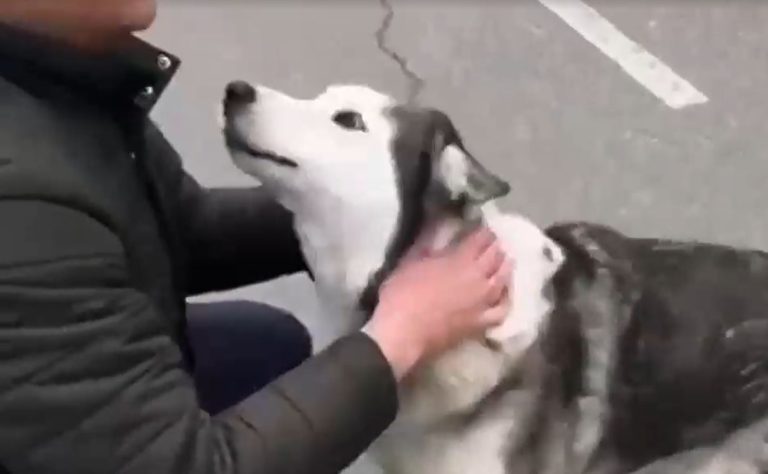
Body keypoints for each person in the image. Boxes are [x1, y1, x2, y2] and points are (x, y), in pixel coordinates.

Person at [0, 1, 513, 473]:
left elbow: (176, 225)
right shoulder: (20, 201)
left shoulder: (54, 77)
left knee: (268, 345)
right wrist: (402, 333)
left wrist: (373, 214)